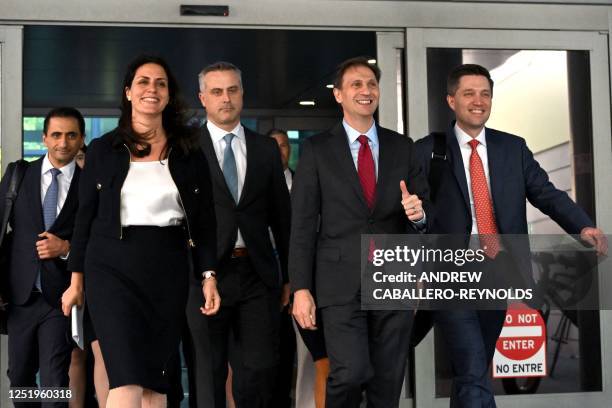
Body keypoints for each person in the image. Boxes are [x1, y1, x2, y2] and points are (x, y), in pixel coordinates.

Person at [413, 63, 608, 407]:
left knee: (473, 369)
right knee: (473, 366)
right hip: (450, 271)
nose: (478, 101)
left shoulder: (512, 148)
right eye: (468, 93)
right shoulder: (428, 150)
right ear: (450, 100)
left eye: (485, 93)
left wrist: (582, 224)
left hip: (498, 269)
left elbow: (546, 194)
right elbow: (413, 212)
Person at [67, 54, 219, 408]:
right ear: (128, 93)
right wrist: (76, 281)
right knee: (126, 376)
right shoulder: (104, 150)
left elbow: (205, 219)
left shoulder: (188, 152)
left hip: (168, 266)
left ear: (169, 95)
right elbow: (84, 217)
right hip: (110, 267)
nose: (152, 89)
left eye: (160, 83)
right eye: (144, 82)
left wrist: (208, 274)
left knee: (156, 382)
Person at [290, 56, 430, 408]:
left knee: (387, 381)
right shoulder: (317, 150)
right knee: (349, 372)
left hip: (393, 277)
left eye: (371, 84)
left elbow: (421, 214)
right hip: (338, 282)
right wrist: (301, 288)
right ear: (338, 94)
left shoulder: (403, 147)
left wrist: (418, 215)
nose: (365, 91)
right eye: (356, 84)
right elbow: (303, 223)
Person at [193, 61, 291, 408]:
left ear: (242, 94)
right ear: (203, 97)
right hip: (205, 274)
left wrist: (289, 277)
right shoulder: (187, 147)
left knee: (258, 370)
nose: (226, 99)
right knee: (210, 373)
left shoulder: (264, 148)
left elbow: (283, 217)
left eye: (233, 90)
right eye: (217, 92)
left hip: (257, 274)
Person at [0, 107, 85, 408]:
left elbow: (98, 241)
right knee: (19, 377)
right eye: (57, 135)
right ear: (45, 137)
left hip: (60, 297)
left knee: (54, 380)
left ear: (81, 139)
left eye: (71, 135)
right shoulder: (18, 175)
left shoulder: (89, 185)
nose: (64, 142)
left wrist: (66, 249)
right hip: (20, 295)